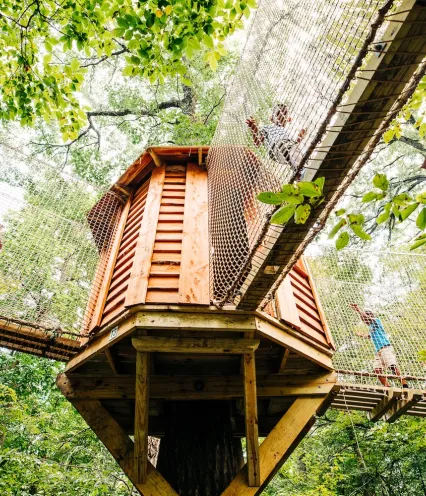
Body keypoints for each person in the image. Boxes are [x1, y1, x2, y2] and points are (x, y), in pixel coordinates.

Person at [349, 304, 408, 388]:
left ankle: (404, 384)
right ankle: (387, 387)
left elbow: (369, 318)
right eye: (363, 320)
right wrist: (360, 335)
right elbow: (369, 336)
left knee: (392, 366)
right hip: (378, 352)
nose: (364, 321)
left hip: (385, 347)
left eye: (365, 319)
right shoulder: (371, 328)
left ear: (370, 316)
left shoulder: (376, 321)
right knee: (377, 370)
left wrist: (358, 310)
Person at [246, 104, 306, 177]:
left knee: (296, 152)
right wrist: (254, 129)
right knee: (290, 149)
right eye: (278, 113)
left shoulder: (289, 132)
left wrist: (300, 137)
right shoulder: (267, 127)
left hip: (287, 150)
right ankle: (301, 170)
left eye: (285, 113)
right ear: (271, 118)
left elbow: (295, 146)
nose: (281, 115)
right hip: (275, 146)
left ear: (289, 119)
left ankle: (299, 173)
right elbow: (257, 143)